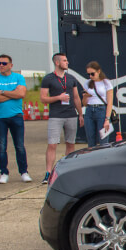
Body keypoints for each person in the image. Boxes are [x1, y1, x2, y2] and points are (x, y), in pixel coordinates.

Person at [0, 54, 31, 184]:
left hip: (16, 116)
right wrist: (12, 93)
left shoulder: (18, 77)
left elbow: (21, 94)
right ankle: (4, 172)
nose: (1, 65)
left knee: (20, 146)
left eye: (4, 63)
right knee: (1, 146)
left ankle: (24, 172)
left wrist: (3, 92)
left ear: (11, 65)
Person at [40, 52, 84, 184]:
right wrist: (58, 98)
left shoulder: (71, 78)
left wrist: (80, 114)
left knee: (70, 143)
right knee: (52, 144)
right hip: (56, 115)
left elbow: (76, 97)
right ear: (57, 62)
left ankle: (67, 171)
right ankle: (48, 173)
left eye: (67, 60)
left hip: (71, 114)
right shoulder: (48, 79)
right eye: (65, 60)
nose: (67, 62)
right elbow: (43, 99)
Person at [81, 61, 114, 147]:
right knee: (91, 141)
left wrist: (107, 119)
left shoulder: (106, 82)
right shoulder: (87, 83)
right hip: (89, 110)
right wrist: (85, 96)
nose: (90, 76)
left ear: (98, 71)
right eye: (88, 74)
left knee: (103, 141)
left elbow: (110, 102)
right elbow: (84, 103)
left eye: (92, 74)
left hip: (102, 110)